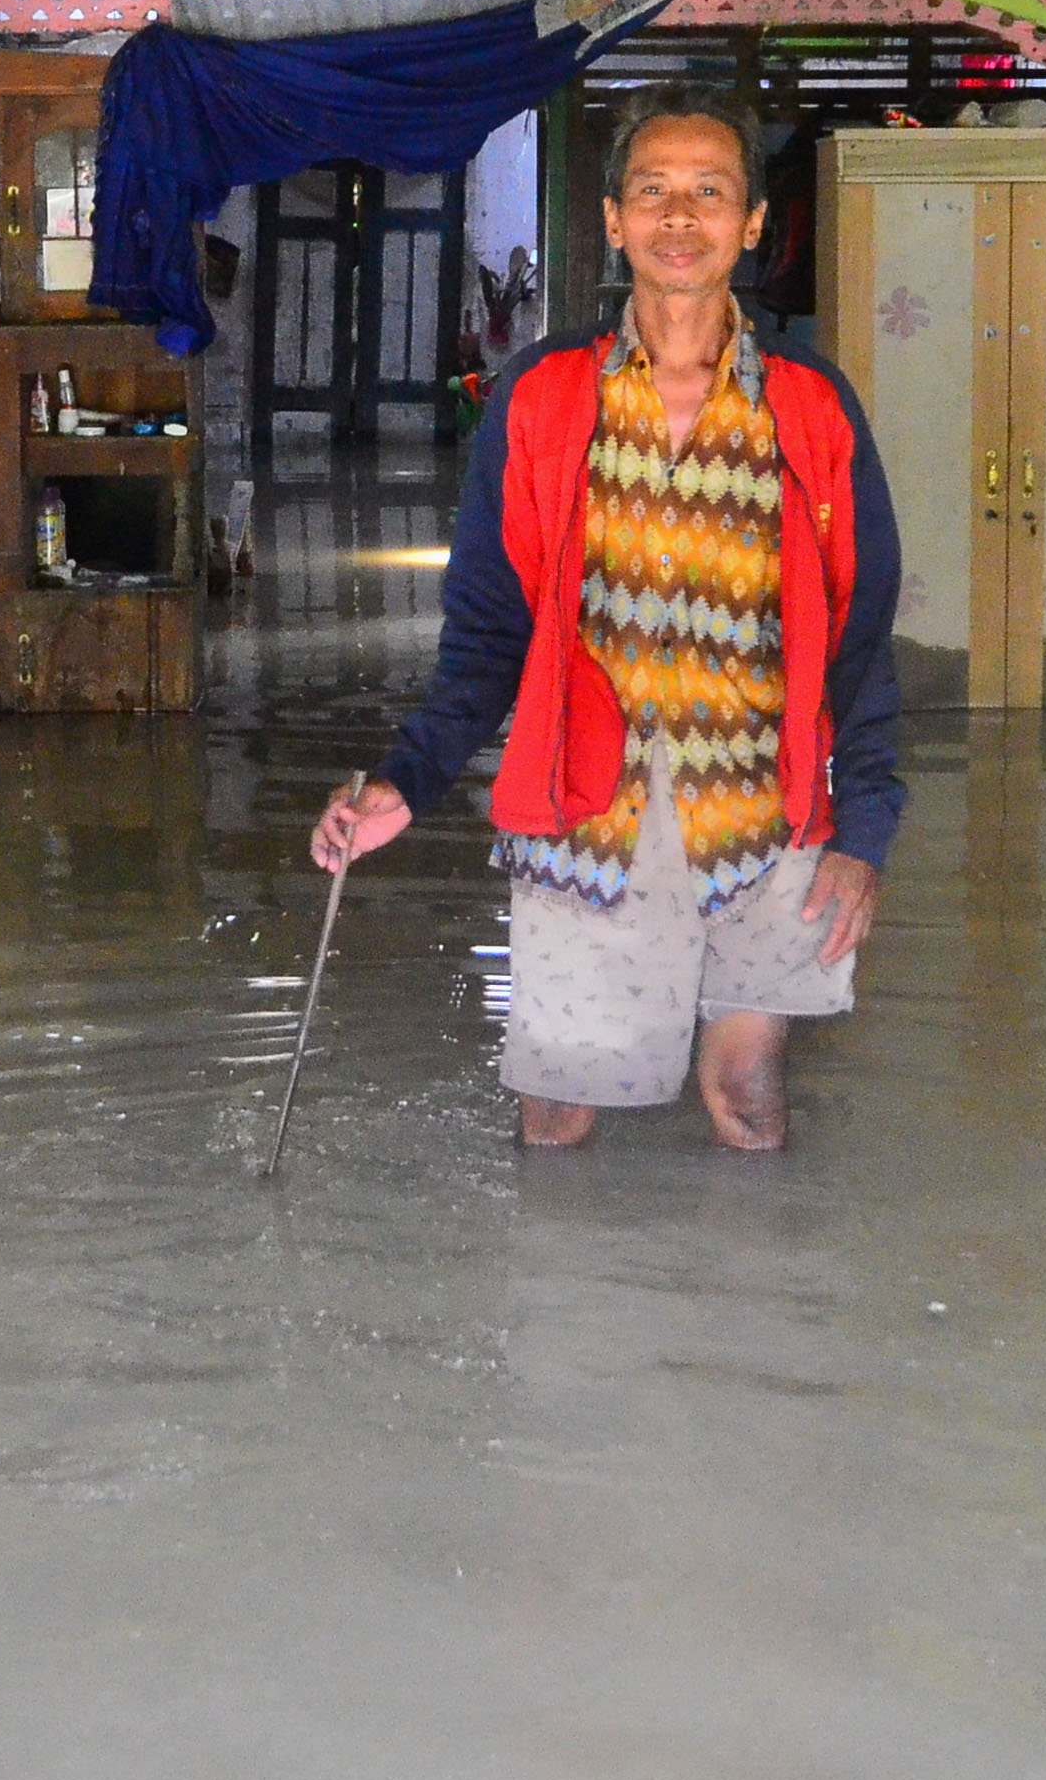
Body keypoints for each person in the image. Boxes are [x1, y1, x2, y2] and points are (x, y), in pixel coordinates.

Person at [312, 93, 904, 1154]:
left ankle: (752, 1312)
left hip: (764, 816)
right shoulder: (542, 397)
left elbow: (858, 636)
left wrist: (861, 834)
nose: (680, 216)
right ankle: (562, 1309)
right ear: (613, 220)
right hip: (586, 808)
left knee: (750, 1103)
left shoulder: (810, 407)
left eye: (709, 192)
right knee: (557, 1109)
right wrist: (411, 776)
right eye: (653, 191)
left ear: (752, 225)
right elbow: (490, 622)